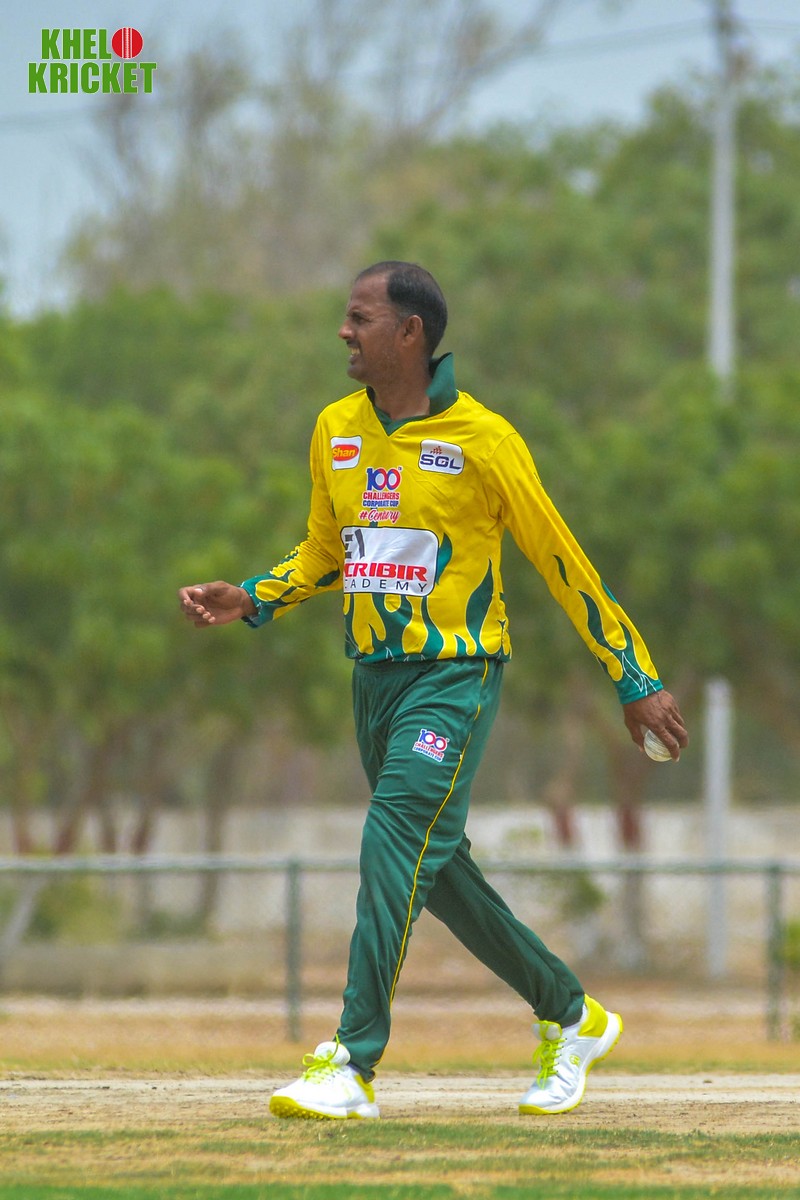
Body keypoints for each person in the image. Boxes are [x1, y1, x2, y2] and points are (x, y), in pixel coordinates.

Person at [178, 261, 689, 1121]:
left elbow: (561, 559)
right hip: (372, 682)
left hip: (454, 679)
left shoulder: (485, 439)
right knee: (436, 870)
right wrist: (254, 596)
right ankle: (573, 1017)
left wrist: (633, 674)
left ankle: (351, 1061)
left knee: (390, 838)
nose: (343, 331)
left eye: (360, 317)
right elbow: (328, 551)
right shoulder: (335, 428)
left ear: (410, 333)